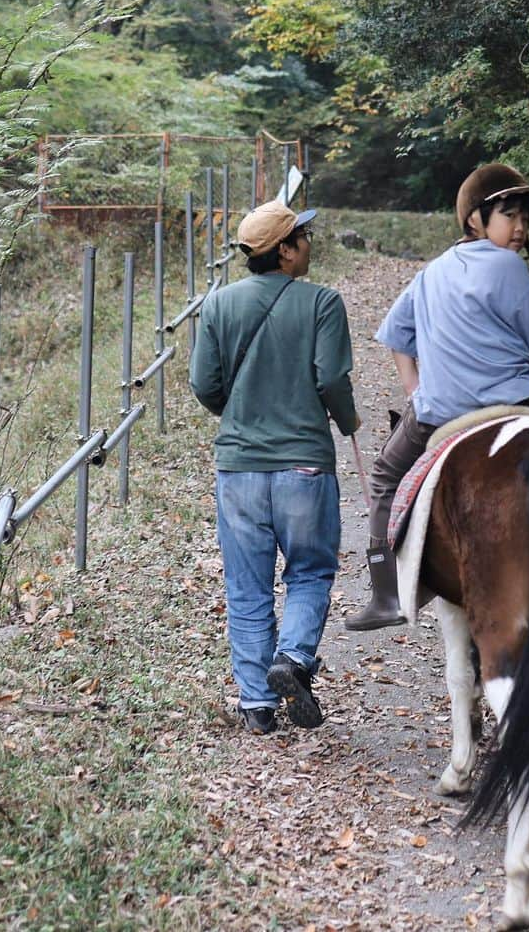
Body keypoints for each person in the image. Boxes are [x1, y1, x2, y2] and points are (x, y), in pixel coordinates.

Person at [345, 164, 529, 632]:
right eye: (509, 215)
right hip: (520, 404)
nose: (520, 227)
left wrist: (416, 391)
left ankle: (386, 594)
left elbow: (395, 336)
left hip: (439, 413)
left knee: (386, 475)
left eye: (525, 216)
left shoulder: (429, 273)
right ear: (475, 220)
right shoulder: (511, 267)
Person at [190, 199, 359, 733]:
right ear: (284, 250)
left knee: (247, 585)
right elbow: (331, 379)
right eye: (303, 237)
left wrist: (237, 415)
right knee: (309, 572)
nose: (310, 244)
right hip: (305, 465)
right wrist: (349, 422)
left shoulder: (217, 306)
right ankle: (293, 658)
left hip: (238, 468)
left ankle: (258, 706)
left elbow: (203, 384)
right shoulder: (323, 304)